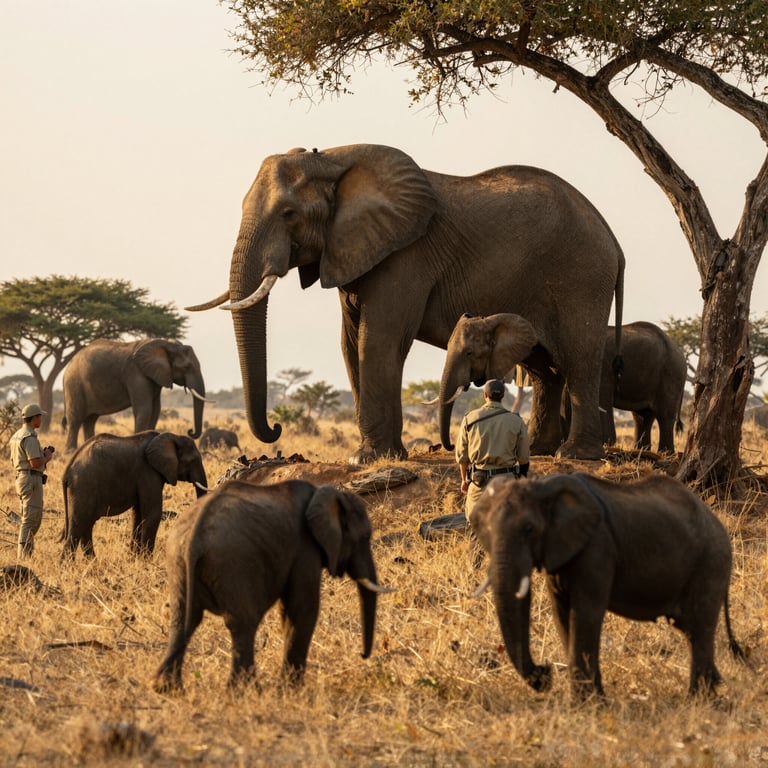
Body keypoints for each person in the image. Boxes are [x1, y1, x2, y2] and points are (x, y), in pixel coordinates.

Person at [456, 379, 530, 522]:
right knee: (506, 528)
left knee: (476, 528)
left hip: (479, 482)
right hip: (506, 483)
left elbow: (462, 457)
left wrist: (464, 480)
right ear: (502, 397)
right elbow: (524, 458)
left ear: (485, 395)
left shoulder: (470, 419)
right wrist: (521, 477)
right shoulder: (516, 421)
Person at [10, 403, 54, 557]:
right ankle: (23, 557)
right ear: (34, 418)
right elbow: (34, 462)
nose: (41, 419)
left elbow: (14, 461)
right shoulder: (29, 437)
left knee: (29, 517)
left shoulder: (16, 435)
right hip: (31, 479)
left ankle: (26, 554)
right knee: (31, 520)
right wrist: (47, 457)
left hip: (22, 478)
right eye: (40, 416)